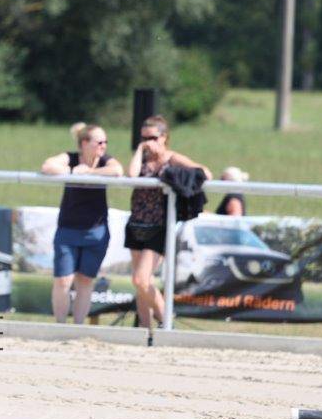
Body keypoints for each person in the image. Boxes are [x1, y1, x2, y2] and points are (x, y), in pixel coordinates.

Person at [125, 115, 212, 328]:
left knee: (141, 279)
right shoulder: (142, 159)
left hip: (159, 225)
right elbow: (131, 175)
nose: (148, 142)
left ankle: (166, 321)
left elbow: (204, 173)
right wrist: (140, 150)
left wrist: (177, 176)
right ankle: (144, 330)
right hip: (137, 221)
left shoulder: (171, 158)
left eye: (153, 138)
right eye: (144, 138)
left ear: (164, 137)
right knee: (140, 284)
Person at [41, 123, 123, 323]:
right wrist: (72, 171)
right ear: (84, 143)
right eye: (99, 142)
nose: (103, 146)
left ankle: (78, 327)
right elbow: (47, 166)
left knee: (85, 281)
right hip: (68, 229)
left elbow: (117, 170)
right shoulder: (71, 158)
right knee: (63, 280)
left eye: (105, 142)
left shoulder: (104, 160)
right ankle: (60, 325)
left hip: (96, 230)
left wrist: (89, 173)